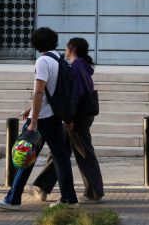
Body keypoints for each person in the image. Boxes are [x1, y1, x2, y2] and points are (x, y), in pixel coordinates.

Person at [0, 27, 78, 211]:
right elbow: (51, 91)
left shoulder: (43, 61)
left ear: (36, 44)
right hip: (54, 116)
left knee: (24, 156)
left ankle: (12, 200)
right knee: (61, 159)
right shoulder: (59, 59)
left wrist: (33, 121)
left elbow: (39, 91)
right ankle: (69, 199)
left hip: (42, 119)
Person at [31, 37, 105, 203]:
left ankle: (94, 192)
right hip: (81, 114)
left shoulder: (76, 67)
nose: (65, 50)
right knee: (61, 152)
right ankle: (41, 187)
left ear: (73, 49)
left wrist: (69, 118)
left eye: (67, 47)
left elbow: (73, 95)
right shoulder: (83, 66)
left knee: (81, 152)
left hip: (77, 116)